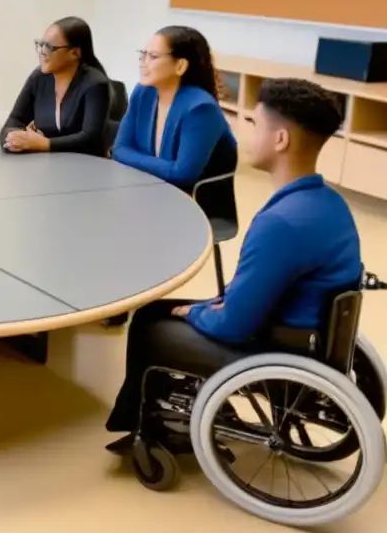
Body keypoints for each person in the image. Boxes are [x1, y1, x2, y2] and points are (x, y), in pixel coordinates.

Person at [104, 78, 362, 450]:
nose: (245, 133)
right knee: (167, 311)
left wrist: (195, 313)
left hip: (275, 346)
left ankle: (143, 423)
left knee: (149, 321)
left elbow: (234, 325)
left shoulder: (282, 222)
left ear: (281, 140)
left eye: (254, 124)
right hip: (307, 330)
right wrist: (210, 306)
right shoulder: (328, 203)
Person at [111, 25, 236, 189]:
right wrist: (163, 166)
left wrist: (134, 157)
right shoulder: (143, 93)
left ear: (180, 66)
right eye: (143, 55)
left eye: (153, 57)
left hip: (193, 205)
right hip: (148, 191)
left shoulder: (201, 108)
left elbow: (182, 174)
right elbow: (119, 149)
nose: (143, 63)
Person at [0, 16, 112, 156]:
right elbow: (14, 121)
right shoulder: (39, 78)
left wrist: (44, 144)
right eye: (40, 44)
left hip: (84, 167)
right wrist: (13, 139)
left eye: (50, 47)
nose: (42, 52)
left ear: (74, 53)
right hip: (47, 164)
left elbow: (90, 140)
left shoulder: (95, 84)